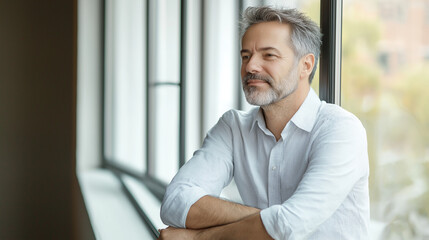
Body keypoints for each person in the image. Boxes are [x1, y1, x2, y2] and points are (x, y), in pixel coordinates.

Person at [158, 6, 370, 240]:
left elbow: (289, 224)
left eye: (269, 55)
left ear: (305, 65)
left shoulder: (340, 129)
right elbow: (176, 201)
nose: (250, 67)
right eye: (246, 56)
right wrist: (267, 219)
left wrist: (200, 238)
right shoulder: (233, 127)